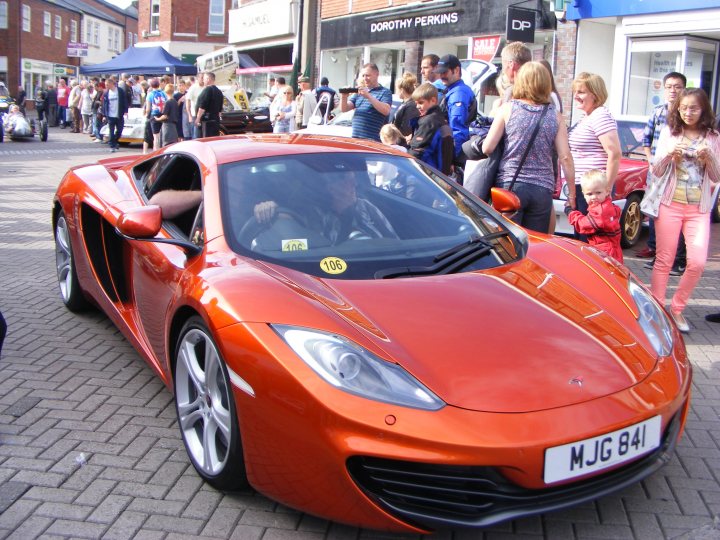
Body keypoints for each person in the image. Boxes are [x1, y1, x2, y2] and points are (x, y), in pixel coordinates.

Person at [650, 88, 720, 333]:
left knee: (698, 262)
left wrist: (710, 157)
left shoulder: (712, 136)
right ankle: (658, 309)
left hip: (698, 208)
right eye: (684, 108)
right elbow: (656, 171)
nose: (688, 113)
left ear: (703, 110)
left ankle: (677, 309)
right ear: (677, 109)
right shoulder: (670, 132)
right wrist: (670, 154)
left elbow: (716, 176)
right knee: (664, 260)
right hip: (670, 204)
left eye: (694, 108)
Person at [482, 61, 575, 233]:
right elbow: (565, 157)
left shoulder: (508, 109)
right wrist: (572, 194)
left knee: (507, 242)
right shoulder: (555, 115)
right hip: (542, 190)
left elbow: (487, 148)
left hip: (511, 185)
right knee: (533, 243)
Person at [638, 71, 688, 276]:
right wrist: (651, 161)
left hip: (680, 175)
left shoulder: (688, 113)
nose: (673, 90)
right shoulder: (658, 112)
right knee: (656, 213)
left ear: (684, 89)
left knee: (677, 214)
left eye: (677, 86)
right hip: (658, 171)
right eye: (669, 86)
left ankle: (679, 259)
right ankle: (659, 255)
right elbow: (646, 141)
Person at [568, 72, 621, 239]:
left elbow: (614, 153)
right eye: (575, 92)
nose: (576, 96)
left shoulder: (600, 116)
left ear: (595, 94)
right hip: (585, 187)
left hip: (594, 189)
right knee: (582, 236)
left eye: (581, 92)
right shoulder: (588, 117)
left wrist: (606, 189)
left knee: (590, 239)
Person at [564, 169, 623, 262]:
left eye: (598, 193)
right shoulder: (607, 206)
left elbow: (583, 225)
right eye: (590, 194)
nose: (594, 197)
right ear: (584, 195)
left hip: (605, 254)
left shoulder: (601, 211)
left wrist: (570, 212)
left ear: (607, 191)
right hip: (609, 250)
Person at [434, 54, 476, 176]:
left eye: (445, 72)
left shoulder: (459, 93)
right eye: (440, 72)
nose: (441, 76)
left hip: (454, 161)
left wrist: (449, 161)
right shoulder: (453, 91)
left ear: (456, 70)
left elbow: (457, 130)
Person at [408, 83, 454, 176]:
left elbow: (417, 153)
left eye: (421, 102)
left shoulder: (429, 121)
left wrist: (404, 170)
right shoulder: (441, 119)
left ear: (433, 100)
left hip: (426, 176)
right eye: (416, 103)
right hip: (439, 178)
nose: (417, 106)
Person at [340, 63, 393, 142]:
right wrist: (344, 97)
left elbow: (386, 111)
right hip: (356, 139)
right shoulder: (360, 91)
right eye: (363, 75)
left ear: (377, 75)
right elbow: (344, 109)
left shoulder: (385, 92)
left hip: (373, 140)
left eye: (368, 75)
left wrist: (368, 96)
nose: (365, 78)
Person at [101, 77, 127, 153]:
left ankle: (115, 142)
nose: (106, 86)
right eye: (105, 85)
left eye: (107, 85)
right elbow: (104, 104)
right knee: (111, 131)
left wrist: (126, 111)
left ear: (112, 84)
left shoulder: (120, 91)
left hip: (119, 114)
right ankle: (112, 145)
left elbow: (125, 100)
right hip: (110, 115)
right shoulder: (106, 93)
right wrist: (104, 115)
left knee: (119, 131)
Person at [195, 71, 224, 138]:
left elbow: (202, 106)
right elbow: (220, 110)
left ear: (208, 79)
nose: (203, 80)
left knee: (205, 140)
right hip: (215, 121)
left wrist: (198, 118)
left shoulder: (208, 90)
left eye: (204, 78)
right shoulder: (219, 92)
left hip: (206, 121)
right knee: (213, 140)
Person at [392, 72, 419, 138]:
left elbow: (407, 129)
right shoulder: (406, 103)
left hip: (403, 143)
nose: (396, 92)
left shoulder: (411, 106)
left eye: (396, 89)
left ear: (402, 90)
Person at [146, 78, 167, 150]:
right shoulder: (163, 93)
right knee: (162, 134)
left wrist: (146, 115)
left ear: (151, 86)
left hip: (154, 115)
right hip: (163, 114)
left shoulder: (150, 94)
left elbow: (148, 108)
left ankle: (156, 151)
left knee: (156, 136)